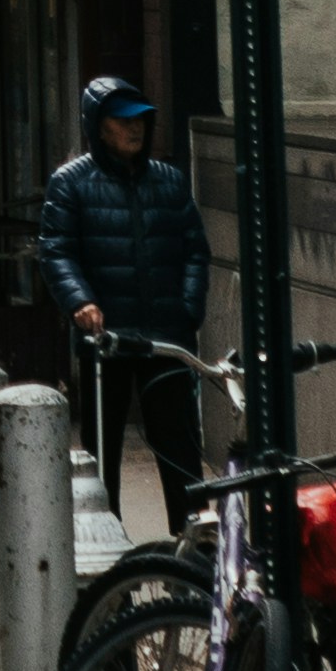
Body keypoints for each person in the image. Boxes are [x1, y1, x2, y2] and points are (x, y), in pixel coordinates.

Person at [38, 70, 209, 529]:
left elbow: (195, 248)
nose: (134, 128)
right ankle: (107, 544)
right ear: (98, 126)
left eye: (141, 120)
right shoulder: (70, 183)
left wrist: (189, 308)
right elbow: (56, 252)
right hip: (105, 340)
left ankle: (192, 542)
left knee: (179, 448)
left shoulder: (169, 182)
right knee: (101, 450)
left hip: (165, 337)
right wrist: (80, 302)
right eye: (122, 120)